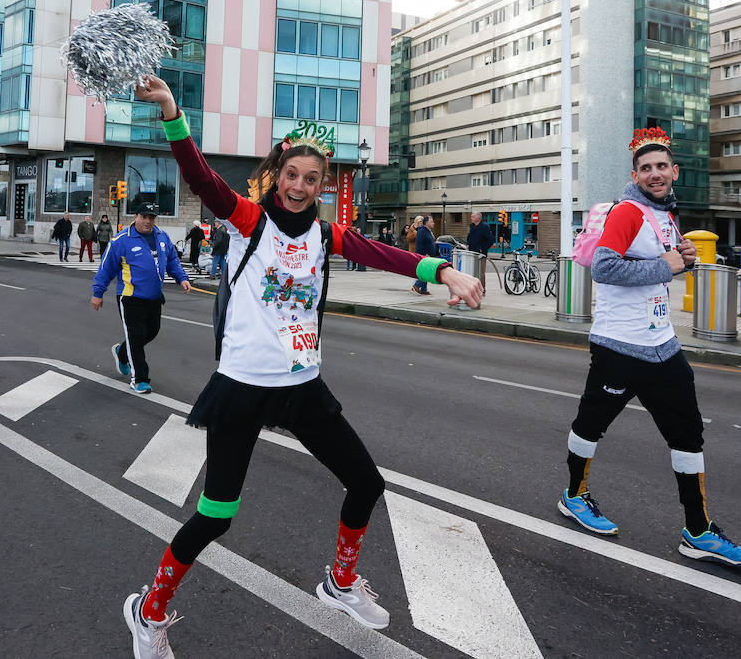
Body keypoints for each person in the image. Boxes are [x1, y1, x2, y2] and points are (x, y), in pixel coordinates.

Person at [120, 74, 484, 657]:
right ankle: (149, 608)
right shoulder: (245, 220)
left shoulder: (322, 233)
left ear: (322, 187)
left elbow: (383, 253)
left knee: (366, 482)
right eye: (291, 175)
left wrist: (443, 272)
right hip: (242, 387)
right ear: (276, 175)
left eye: (311, 179)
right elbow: (200, 178)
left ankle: (339, 583)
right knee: (216, 516)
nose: (299, 186)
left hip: (301, 387)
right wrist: (171, 111)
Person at [557, 127, 741, 567]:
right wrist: (665, 264)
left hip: (663, 346)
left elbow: (658, 269)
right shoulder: (628, 211)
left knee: (688, 433)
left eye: (661, 167)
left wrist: (683, 261)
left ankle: (699, 531)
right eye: (646, 168)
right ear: (636, 173)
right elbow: (606, 268)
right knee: (591, 425)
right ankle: (574, 495)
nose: (655, 174)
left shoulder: (665, 215)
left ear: (674, 171)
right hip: (620, 346)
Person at [91, 200, 191, 394]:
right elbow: (106, 268)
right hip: (130, 297)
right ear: (136, 216)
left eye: (152, 217)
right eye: (144, 217)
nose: (148, 221)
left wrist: (182, 278)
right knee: (136, 337)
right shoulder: (121, 240)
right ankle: (139, 379)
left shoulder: (162, 237)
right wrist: (98, 293)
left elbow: (171, 260)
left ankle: (122, 351)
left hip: (154, 297)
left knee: (152, 331)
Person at [466, 211, 495, 288]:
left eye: (473, 217)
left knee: (481, 272)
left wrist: (482, 249)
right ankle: (473, 288)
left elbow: (491, 240)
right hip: (471, 252)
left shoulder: (485, 227)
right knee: (472, 271)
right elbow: (470, 237)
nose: (471, 218)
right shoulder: (472, 226)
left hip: (480, 254)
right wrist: (468, 244)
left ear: (478, 218)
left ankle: (482, 289)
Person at [411, 216, 436, 295]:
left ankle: (423, 289)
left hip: (428, 255)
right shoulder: (422, 231)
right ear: (427, 223)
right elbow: (419, 244)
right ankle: (417, 285)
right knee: (426, 272)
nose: (433, 223)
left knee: (425, 271)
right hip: (424, 256)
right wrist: (424, 255)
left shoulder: (428, 231)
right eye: (431, 221)